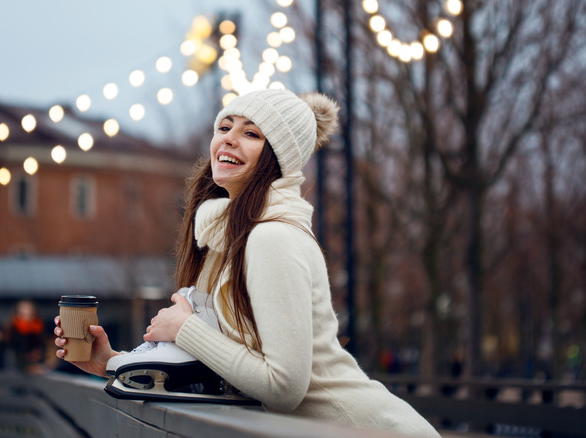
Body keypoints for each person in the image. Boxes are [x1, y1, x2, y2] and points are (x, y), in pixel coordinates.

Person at [54, 89, 439, 436]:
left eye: (251, 134)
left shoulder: (273, 238)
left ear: (277, 158)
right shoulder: (224, 237)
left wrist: (186, 328)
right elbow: (229, 370)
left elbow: (284, 388)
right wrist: (112, 363)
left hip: (367, 429)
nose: (229, 138)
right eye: (225, 126)